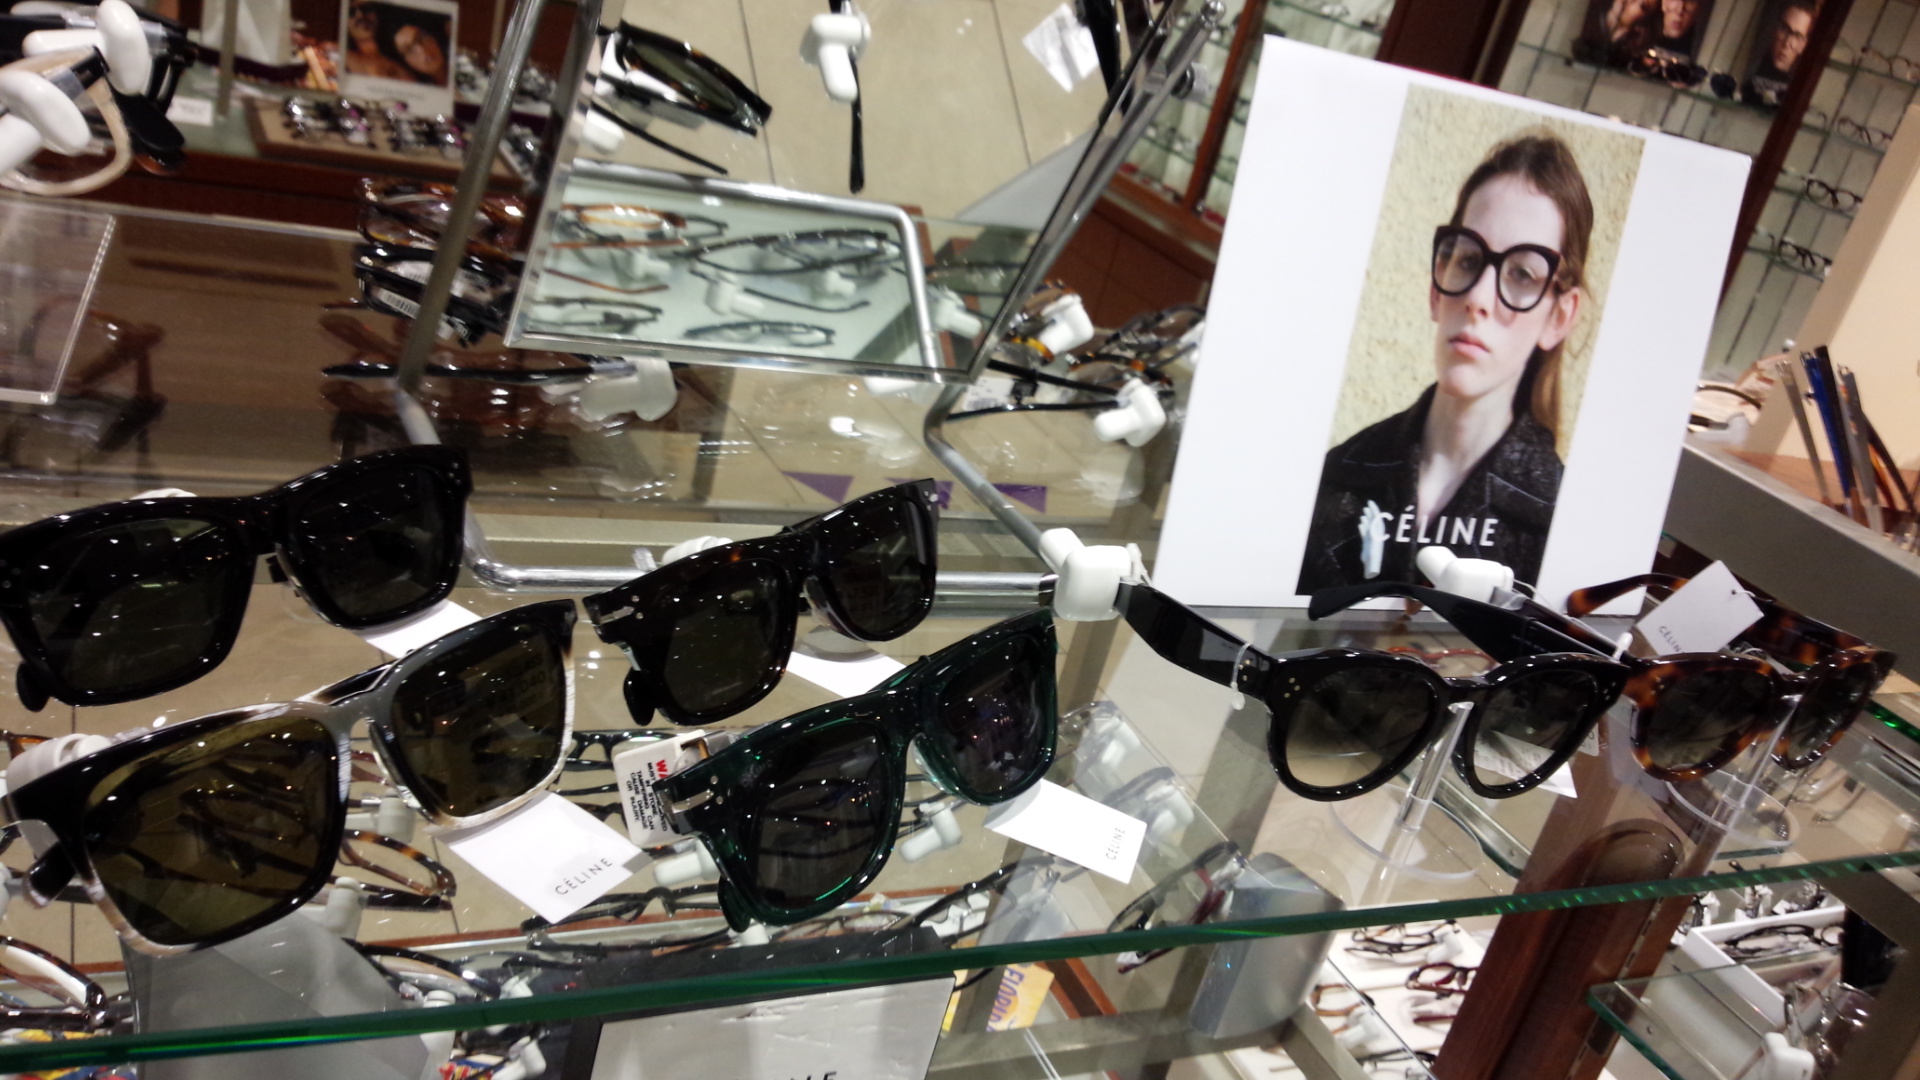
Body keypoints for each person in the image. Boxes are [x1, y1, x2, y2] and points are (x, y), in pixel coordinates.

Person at [1298, 134, 1593, 593]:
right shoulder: (1337, 475)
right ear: (1437, 287)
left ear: (1559, 317)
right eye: (1469, 260)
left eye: (1522, 273)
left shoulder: (1565, 536)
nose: (1477, 298)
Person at [1752, 1, 1814, 84]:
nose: (1786, 43)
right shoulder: (1751, 68)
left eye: (1797, 36)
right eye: (1785, 29)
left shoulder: (1799, 86)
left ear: (1803, 45)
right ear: (1775, 28)